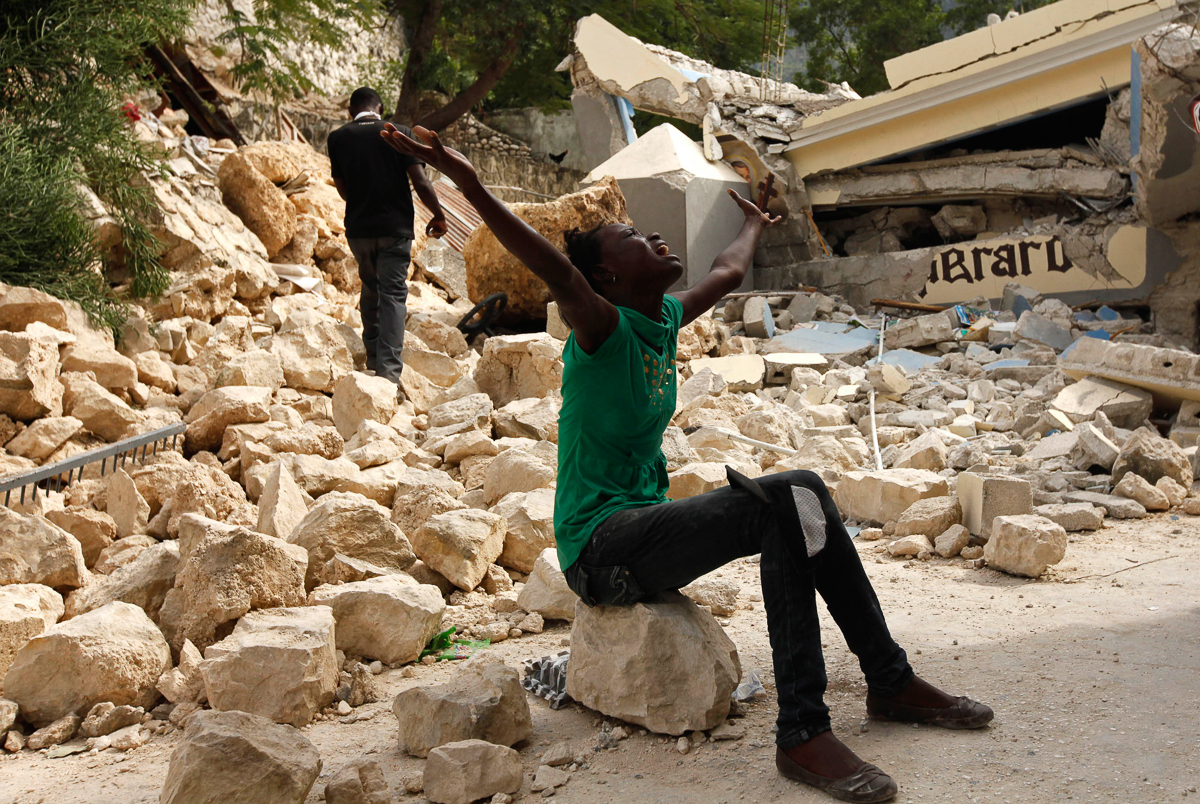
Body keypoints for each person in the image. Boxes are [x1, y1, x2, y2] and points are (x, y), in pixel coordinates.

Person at [381, 124, 993, 804]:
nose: (657, 241)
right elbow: (553, 267)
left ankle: (888, 679)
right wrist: (468, 184)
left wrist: (756, 223)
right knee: (780, 505)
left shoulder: (664, 317)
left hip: (646, 526)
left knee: (807, 491)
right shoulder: (599, 323)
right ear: (608, 276)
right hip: (600, 549)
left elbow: (728, 271)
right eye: (637, 241)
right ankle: (802, 731)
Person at [327, 87, 448, 386]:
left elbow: (342, 186)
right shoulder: (396, 132)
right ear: (380, 108)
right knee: (393, 295)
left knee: (370, 288)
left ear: (350, 111)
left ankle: (372, 357)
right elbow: (419, 181)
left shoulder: (338, 137)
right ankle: (389, 373)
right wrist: (438, 214)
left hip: (359, 230)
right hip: (395, 229)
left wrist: (361, 202)